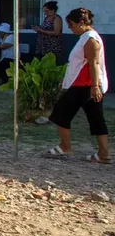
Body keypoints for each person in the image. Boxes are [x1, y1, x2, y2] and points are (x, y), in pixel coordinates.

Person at [46, 8, 109, 164]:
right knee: (96, 119)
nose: (70, 27)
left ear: (81, 22)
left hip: (85, 86)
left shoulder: (90, 39)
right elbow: (78, 64)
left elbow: (93, 64)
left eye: (72, 24)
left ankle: (66, 146)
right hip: (84, 85)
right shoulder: (86, 37)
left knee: (60, 114)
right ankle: (103, 154)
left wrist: (94, 86)